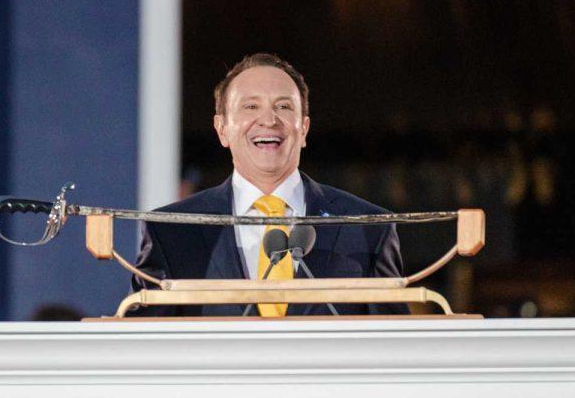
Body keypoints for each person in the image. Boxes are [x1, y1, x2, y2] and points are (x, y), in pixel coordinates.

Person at [130, 53, 404, 316]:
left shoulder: (368, 228)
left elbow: (395, 347)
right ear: (222, 129)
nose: (269, 120)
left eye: (283, 107)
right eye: (251, 106)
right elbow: (139, 347)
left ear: (304, 129)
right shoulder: (171, 231)